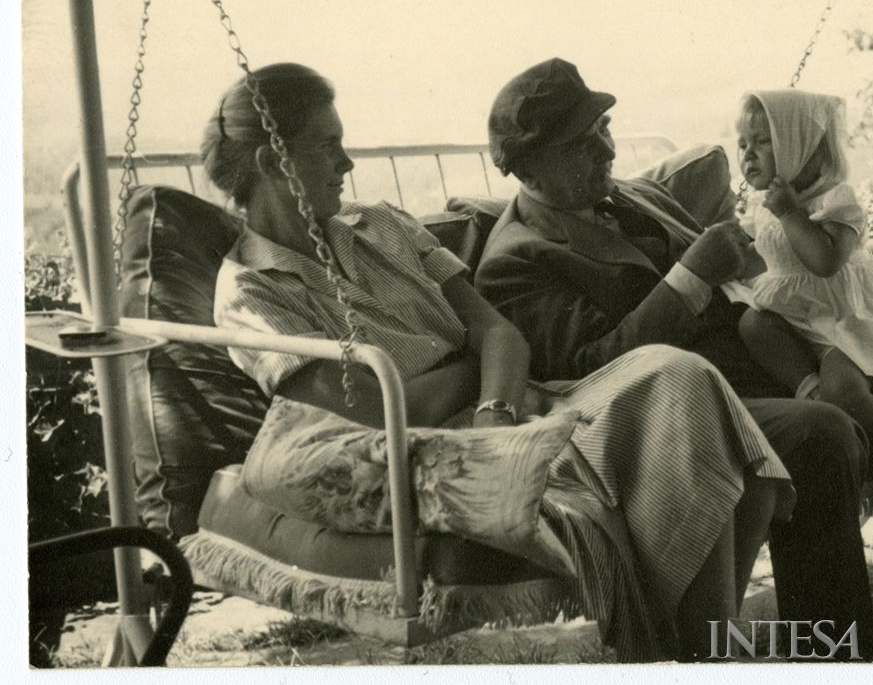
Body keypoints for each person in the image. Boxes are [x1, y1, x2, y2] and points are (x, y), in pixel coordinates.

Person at [203, 63, 794, 662]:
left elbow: (502, 336)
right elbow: (365, 408)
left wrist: (495, 405)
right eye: (329, 146)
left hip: (512, 405)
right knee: (703, 450)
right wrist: (473, 371)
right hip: (431, 441)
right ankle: (694, 657)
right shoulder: (251, 292)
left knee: (680, 375)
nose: (347, 163)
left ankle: (680, 652)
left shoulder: (382, 223)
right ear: (273, 161)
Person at [475, 57, 873, 661]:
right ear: (529, 166)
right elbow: (593, 369)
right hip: (699, 409)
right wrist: (691, 276)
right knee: (820, 432)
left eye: (604, 129)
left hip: (796, 352)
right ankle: (835, 659)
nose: (606, 149)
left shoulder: (635, 197)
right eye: (583, 143)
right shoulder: (517, 260)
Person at [733, 89, 873, 535]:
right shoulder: (766, 204)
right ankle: (811, 396)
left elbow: (824, 262)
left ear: (799, 146)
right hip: (800, 315)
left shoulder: (838, 201)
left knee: (846, 388)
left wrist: (792, 214)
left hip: (845, 319)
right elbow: (771, 256)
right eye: (743, 143)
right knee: (753, 324)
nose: (748, 154)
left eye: (763, 142)